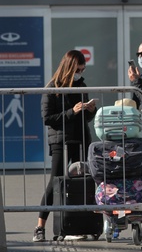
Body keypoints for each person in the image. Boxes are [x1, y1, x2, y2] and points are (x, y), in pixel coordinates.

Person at [33, 50, 97, 242]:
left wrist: (90, 111)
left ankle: (76, 225)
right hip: (61, 141)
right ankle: (40, 226)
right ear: (69, 67)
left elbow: (84, 118)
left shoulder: (81, 86)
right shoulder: (52, 87)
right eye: (77, 69)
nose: (80, 72)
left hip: (81, 139)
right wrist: (72, 111)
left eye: (83, 69)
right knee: (55, 182)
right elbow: (48, 118)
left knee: (81, 182)